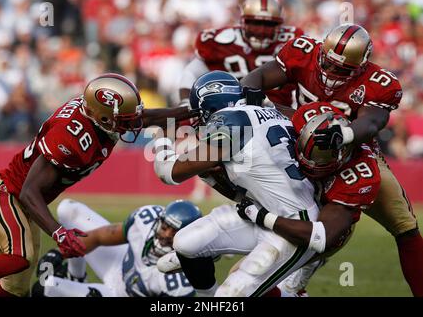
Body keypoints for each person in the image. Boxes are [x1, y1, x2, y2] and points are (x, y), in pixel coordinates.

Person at [0, 73, 199, 297]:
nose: (132, 124)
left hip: (24, 204)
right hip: (6, 193)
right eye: (125, 120)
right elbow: (29, 191)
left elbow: (146, 118)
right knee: (19, 256)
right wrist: (60, 233)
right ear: (103, 118)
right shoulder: (71, 137)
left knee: (15, 290)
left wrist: (191, 110)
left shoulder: (99, 117)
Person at [240, 23, 423, 297]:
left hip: (352, 155)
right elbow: (256, 78)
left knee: (405, 225)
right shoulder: (303, 51)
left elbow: (372, 122)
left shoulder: (379, 82)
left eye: (342, 69)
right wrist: (251, 93)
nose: (331, 72)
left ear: (361, 66)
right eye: (328, 62)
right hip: (295, 144)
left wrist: (344, 133)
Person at [153, 70, 320, 297]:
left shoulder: (231, 120)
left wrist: (161, 138)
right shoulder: (270, 112)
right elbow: (247, 190)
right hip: (260, 210)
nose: (200, 120)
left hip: (292, 225)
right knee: (185, 243)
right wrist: (210, 176)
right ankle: (207, 296)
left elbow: (169, 173)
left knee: (230, 297)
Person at [237, 102, 381, 296]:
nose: (308, 163)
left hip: (322, 228)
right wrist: (263, 103)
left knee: (248, 282)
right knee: (244, 278)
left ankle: (303, 271)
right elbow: (280, 114)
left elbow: (321, 236)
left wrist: (262, 216)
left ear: (343, 153)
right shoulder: (306, 116)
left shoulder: (360, 175)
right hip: (295, 206)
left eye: (319, 159)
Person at [31, 199, 201, 297]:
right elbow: (99, 237)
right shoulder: (145, 221)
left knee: (45, 288)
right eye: (165, 227)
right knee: (68, 209)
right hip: (120, 266)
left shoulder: (181, 284)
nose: (165, 235)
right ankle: (76, 276)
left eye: (174, 233)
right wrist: (60, 253)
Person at [179, 0, 303, 110]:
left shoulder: (293, 41)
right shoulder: (217, 41)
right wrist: (186, 103)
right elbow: (192, 72)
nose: (261, 30)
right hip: (229, 112)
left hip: (279, 111)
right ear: (243, 22)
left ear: (279, 25)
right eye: (255, 23)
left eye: (269, 24)